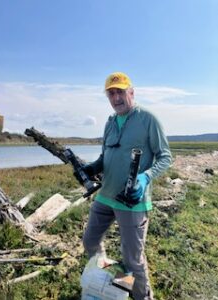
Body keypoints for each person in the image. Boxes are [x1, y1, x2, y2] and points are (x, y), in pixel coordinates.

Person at [76, 72, 172, 300]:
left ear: (131, 92)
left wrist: (145, 177)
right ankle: (110, 285)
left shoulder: (148, 118)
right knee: (90, 241)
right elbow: (105, 157)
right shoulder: (110, 122)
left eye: (120, 92)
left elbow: (165, 156)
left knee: (133, 259)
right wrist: (91, 168)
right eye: (111, 93)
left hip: (133, 202)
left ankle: (142, 297)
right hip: (105, 196)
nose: (116, 97)